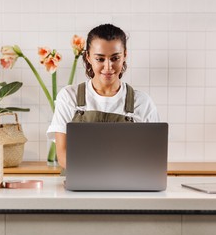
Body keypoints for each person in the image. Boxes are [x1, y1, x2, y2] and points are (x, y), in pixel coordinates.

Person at [47, 23, 159, 169]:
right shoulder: (69, 97)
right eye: (100, 59)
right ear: (88, 57)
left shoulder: (142, 102)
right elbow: (62, 155)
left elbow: (153, 156)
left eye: (115, 58)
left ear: (125, 55)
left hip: (127, 187)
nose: (108, 67)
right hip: (80, 186)